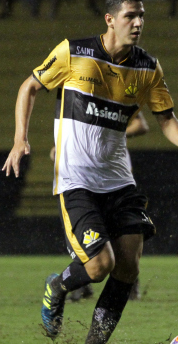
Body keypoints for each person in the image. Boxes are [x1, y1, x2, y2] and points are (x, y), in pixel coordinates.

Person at [2, 0, 178, 344]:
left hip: (118, 182)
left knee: (128, 267)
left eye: (142, 15)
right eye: (131, 16)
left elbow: (165, 118)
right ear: (110, 19)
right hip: (76, 180)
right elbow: (29, 87)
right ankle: (58, 286)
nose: (139, 23)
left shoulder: (147, 67)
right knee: (99, 267)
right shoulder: (73, 53)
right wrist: (20, 139)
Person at [59, 111, 150, 303]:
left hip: (116, 183)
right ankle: (79, 285)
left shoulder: (119, 94)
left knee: (121, 239)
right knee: (93, 239)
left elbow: (142, 125)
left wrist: (113, 132)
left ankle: (128, 284)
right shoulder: (80, 99)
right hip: (86, 184)